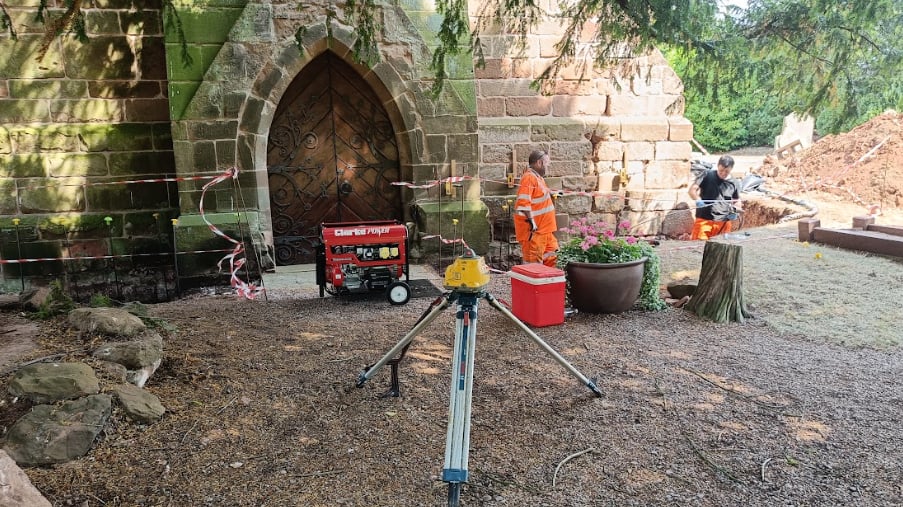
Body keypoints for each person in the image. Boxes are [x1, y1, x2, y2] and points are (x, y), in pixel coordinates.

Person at [514, 149, 559, 267]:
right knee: (533, 264)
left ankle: (549, 283)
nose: (548, 167)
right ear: (539, 163)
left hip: (545, 230)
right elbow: (523, 203)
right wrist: (532, 223)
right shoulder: (529, 178)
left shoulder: (538, 178)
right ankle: (534, 285)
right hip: (535, 232)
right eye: (547, 164)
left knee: (552, 256)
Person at [688, 155, 742, 240]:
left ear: (731, 169)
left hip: (723, 222)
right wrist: (698, 200)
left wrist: (735, 210)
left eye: (726, 171)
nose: (723, 173)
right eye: (721, 170)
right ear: (718, 166)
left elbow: (736, 200)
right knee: (698, 247)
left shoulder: (734, 183)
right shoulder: (707, 175)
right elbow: (692, 190)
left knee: (720, 249)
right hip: (704, 220)